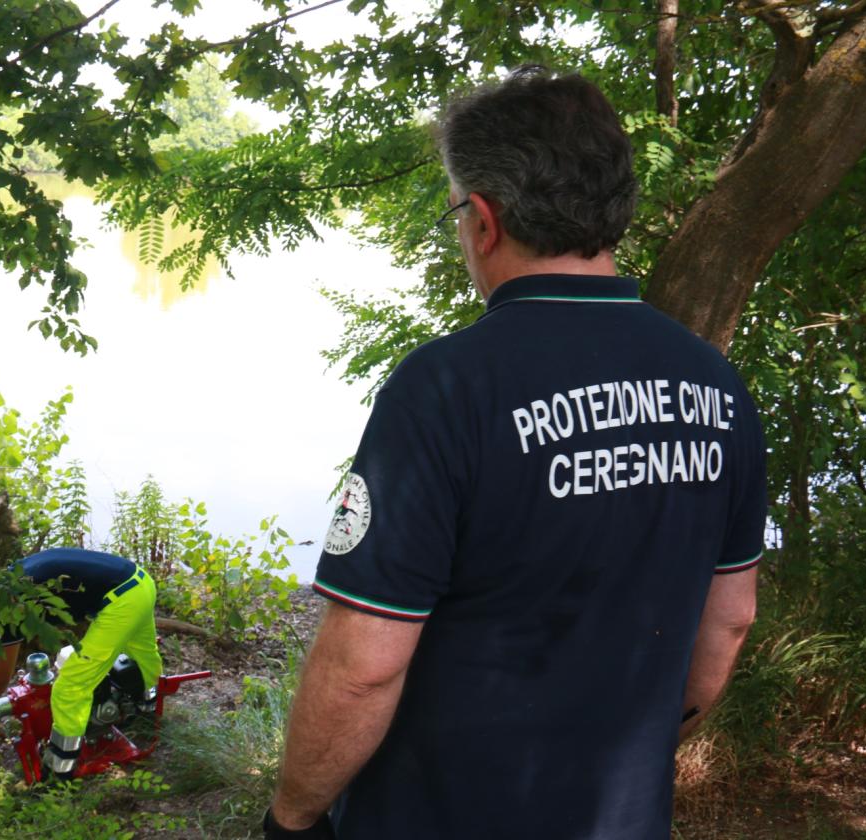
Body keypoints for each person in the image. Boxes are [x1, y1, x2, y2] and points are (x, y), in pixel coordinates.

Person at [265, 66, 765, 839]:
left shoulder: (446, 389)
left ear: (485, 221)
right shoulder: (717, 388)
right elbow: (729, 621)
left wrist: (293, 817)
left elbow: (364, 666)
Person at [0, 547, 163, 779]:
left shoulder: (15, 603)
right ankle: (149, 706)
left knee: (70, 687)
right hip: (140, 582)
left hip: (122, 601)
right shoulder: (12, 578)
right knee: (142, 653)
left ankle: (61, 766)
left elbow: (2, 675)